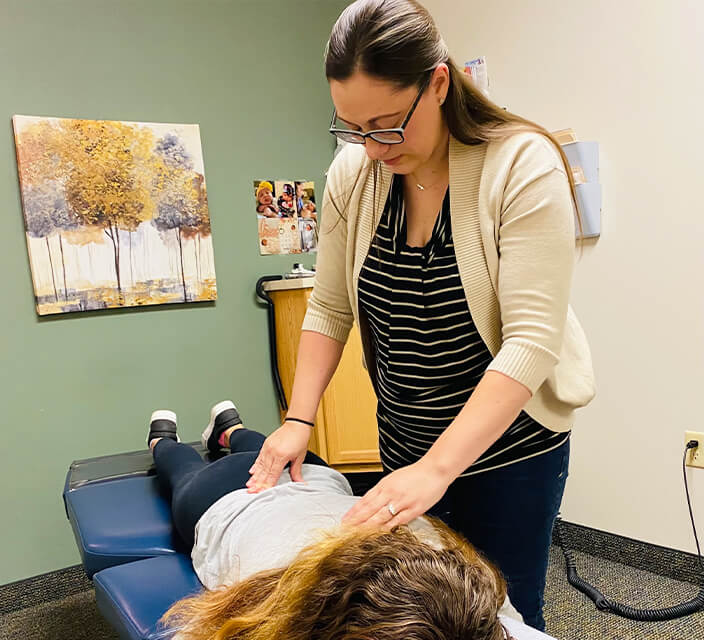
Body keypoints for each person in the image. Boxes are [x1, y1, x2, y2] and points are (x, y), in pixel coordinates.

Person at [246, 0, 596, 631]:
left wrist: (440, 469)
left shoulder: (521, 164)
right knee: (412, 617)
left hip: (506, 453)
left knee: (502, 617)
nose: (370, 147)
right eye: (352, 128)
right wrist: (299, 418)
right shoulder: (354, 172)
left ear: (438, 83)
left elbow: (530, 341)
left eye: (385, 125)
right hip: (403, 442)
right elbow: (328, 306)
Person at [146, 401, 522, 640]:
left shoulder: (474, 594)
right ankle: (164, 441)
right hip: (229, 499)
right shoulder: (278, 611)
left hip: (312, 476)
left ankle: (230, 429)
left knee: (270, 451)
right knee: (181, 471)